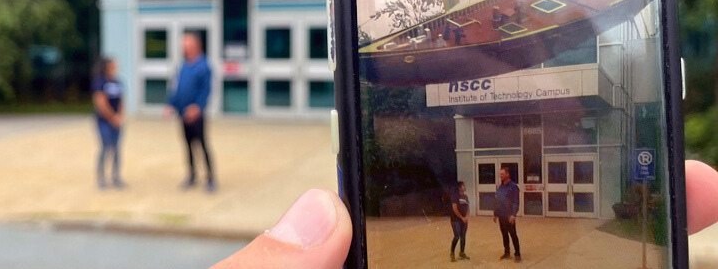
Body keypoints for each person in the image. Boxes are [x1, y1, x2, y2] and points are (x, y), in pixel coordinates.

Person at [215, 161, 718, 268]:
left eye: (500, 174)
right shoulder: (478, 191)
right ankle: (497, 251)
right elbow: (472, 201)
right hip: (492, 220)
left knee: (506, 238)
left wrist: (510, 212)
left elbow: (512, 199)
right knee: (478, 240)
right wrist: (477, 211)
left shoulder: (511, 189)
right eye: (497, 174)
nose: (499, 177)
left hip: (508, 219)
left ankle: (510, 251)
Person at [166, 33, 216, 193]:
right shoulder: (184, 66)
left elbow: (206, 90)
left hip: (196, 115)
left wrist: (198, 107)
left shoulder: (203, 66)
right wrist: (170, 105)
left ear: (195, 45)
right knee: (187, 145)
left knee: (202, 144)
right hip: (182, 113)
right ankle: (192, 175)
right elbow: (177, 88)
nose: (183, 48)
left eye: (186, 44)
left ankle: (210, 178)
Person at [91, 57, 125, 189]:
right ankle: (101, 178)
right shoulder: (100, 82)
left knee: (117, 149)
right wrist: (112, 117)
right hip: (104, 121)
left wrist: (120, 116)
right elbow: (101, 103)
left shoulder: (117, 81)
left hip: (117, 121)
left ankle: (116, 177)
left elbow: (121, 101)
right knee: (105, 147)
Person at [494, 167, 521, 262]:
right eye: (500, 174)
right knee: (504, 234)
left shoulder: (513, 187)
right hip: (501, 215)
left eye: (502, 174)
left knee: (513, 234)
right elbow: (497, 201)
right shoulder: (500, 187)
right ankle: (507, 252)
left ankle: (517, 254)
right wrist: (495, 213)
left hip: (509, 215)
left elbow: (516, 202)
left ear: (507, 174)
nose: (500, 176)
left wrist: (513, 214)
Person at [450, 181, 470, 262]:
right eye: (463, 185)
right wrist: (462, 217)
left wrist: (467, 217)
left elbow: (468, 207)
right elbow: (454, 209)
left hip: (464, 220)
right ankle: (452, 253)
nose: (465, 186)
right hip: (456, 220)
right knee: (457, 236)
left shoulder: (465, 196)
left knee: (463, 236)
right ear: (460, 187)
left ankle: (462, 253)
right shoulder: (455, 196)